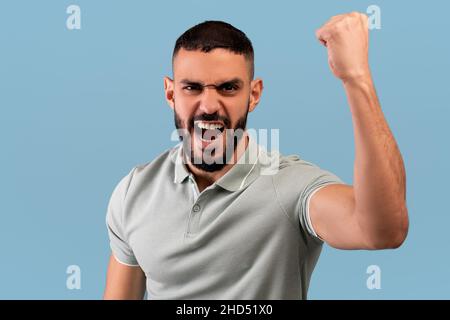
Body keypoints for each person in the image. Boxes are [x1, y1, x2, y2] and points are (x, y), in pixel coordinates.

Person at [103, 13, 409, 300]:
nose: (209, 105)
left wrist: (357, 78)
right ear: (171, 94)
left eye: (228, 88)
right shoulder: (134, 192)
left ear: (254, 94)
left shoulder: (292, 188)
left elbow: (384, 231)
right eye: (192, 88)